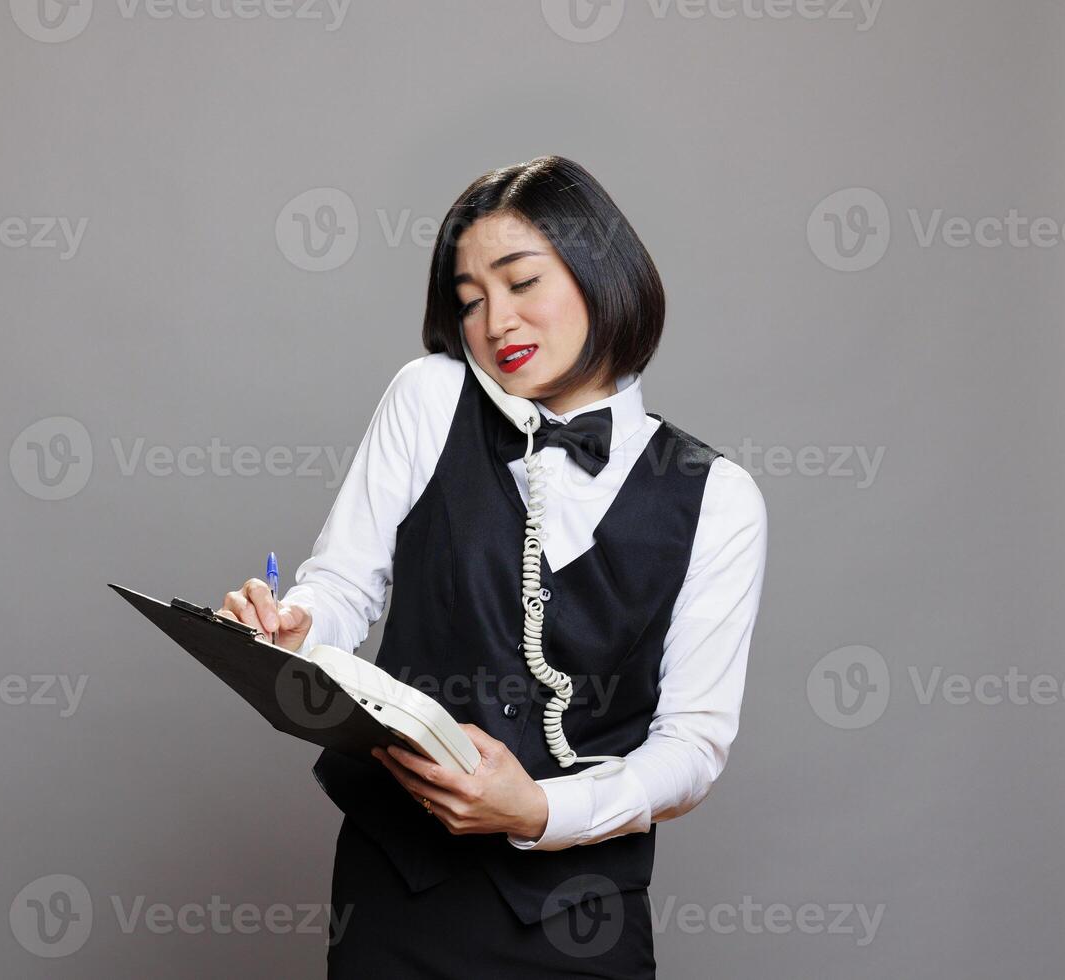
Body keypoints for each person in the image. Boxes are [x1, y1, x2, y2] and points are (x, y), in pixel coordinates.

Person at [217, 155, 768, 978]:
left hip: (579, 917)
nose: (494, 321)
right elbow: (340, 586)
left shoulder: (720, 498)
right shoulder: (429, 397)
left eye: (520, 282)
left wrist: (540, 808)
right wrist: (296, 628)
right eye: (469, 300)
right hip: (396, 887)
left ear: (598, 272)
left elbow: (691, 749)